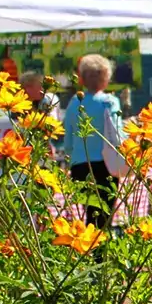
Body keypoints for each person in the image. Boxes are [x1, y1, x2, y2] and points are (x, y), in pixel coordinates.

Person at [60, 55, 120, 231]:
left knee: (89, 213)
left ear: (83, 79)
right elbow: (117, 134)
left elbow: (68, 137)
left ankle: (89, 252)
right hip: (106, 165)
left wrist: (71, 158)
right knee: (103, 215)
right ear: (106, 78)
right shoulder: (110, 102)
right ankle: (99, 254)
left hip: (79, 165)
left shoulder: (74, 102)